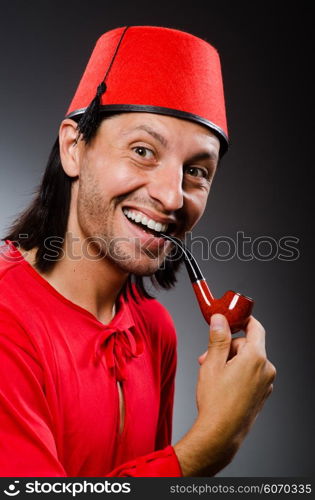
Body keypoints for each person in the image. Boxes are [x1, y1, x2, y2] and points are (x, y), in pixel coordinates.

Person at [0, 25, 276, 477]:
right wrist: (207, 447)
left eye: (197, 172)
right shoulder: (6, 321)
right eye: (143, 150)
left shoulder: (154, 328)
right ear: (74, 147)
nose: (171, 197)